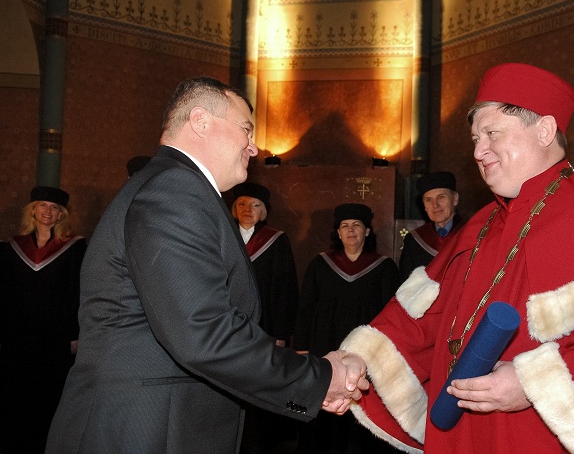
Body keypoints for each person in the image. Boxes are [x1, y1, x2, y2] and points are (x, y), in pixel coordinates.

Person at [339, 63, 574, 453]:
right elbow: (420, 319)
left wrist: (534, 383)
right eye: (475, 138)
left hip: (536, 438)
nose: (478, 152)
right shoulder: (479, 226)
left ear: (544, 130)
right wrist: (356, 359)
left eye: (492, 134)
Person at [45, 77, 367, 454]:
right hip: (144, 430)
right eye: (246, 129)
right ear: (201, 121)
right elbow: (204, 332)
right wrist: (321, 378)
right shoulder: (174, 192)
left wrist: (310, 386)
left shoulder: (177, 188)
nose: (254, 146)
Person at [295, 203, 400, 454]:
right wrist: (301, 348)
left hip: (367, 352)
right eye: (345, 226)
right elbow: (306, 308)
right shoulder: (320, 264)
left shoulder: (384, 267)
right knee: (325, 412)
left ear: (367, 231)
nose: (350, 231)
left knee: (364, 418)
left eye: (356, 225)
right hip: (324, 344)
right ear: (338, 233)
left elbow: (392, 314)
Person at [1, 186, 87, 454]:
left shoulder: (74, 247)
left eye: (54, 208)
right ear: (33, 210)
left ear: (61, 214)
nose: (48, 212)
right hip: (19, 336)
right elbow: (6, 293)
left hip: (55, 337)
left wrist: (75, 333)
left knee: (51, 393)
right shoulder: (13, 248)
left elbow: (76, 292)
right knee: (17, 391)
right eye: (43, 206)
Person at [230, 181, 300, 453]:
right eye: (242, 204)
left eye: (255, 205)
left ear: (264, 211)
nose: (248, 209)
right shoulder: (222, 235)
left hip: (265, 328)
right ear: (233, 208)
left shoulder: (276, 241)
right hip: (228, 328)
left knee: (260, 388)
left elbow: (285, 290)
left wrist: (280, 334)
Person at [398, 171, 464, 282]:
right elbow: (406, 285)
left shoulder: (472, 235)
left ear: (455, 199)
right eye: (428, 200)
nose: (435, 205)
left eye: (441, 197)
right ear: (424, 206)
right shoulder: (414, 240)